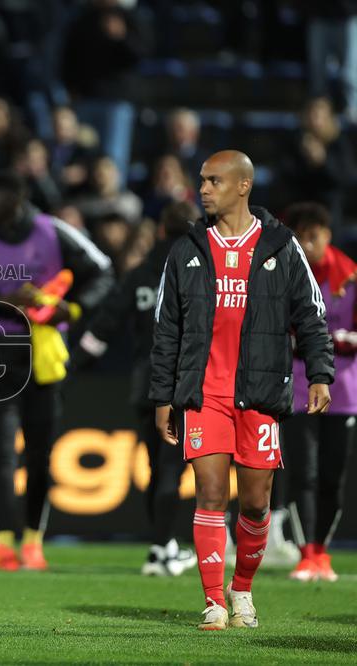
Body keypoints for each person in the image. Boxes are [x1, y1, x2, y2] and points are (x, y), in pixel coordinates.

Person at [150, 150, 333, 631]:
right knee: (210, 493)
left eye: (213, 181)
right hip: (204, 393)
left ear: (243, 186)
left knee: (255, 502)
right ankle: (213, 600)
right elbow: (166, 328)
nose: (203, 190)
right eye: (202, 181)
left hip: (261, 391)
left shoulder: (280, 245)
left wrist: (320, 373)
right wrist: (163, 395)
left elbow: (311, 313)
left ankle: (242, 590)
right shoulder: (187, 249)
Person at [0, 170, 113, 572]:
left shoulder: (54, 231)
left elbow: (104, 271)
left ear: (15, 198)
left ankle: (33, 541)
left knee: (40, 452)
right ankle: (2, 542)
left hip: (45, 353)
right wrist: (4, 298)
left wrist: (75, 308)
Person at [73, 200, 200, 576]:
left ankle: (162, 545)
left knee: (155, 467)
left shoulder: (141, 273)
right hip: (187, 381)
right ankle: (163, 548)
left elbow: (104, 326)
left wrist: (72, 367)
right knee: (175, 470)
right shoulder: (200, 272)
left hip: (145, 383)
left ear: (160, 231)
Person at [280, 202, 355, 583]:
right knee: (303, 473)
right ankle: (305, 553)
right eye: (301, 237)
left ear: (327, 235)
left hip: (344, 393)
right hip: (298, 390)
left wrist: (333, 339)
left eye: (313, 236)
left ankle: (322, 552)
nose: (308, 245)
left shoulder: (351, 278)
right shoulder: (286, 276)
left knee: (331, 476)